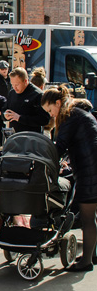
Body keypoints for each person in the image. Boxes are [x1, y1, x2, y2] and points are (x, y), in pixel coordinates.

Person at [41, 85, 97, 271]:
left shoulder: (69, 116)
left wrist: (45, 164)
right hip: (91, 167)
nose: (52, 115)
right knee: (93, 217)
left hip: (90, 171)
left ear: (58, 103)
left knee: (88, 218)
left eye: (50, 110)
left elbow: (60, 146)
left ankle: (86, 261)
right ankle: (92, 254)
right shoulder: (78, 112)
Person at [2, 67, 50, 133]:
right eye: (12, 85)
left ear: (25, 81)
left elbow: (44, 119)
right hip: (14, 137)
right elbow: (4, 109)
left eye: (17, 84)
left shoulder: (37, 94)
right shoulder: (12, 93)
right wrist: (5, 115)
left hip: (30, 137)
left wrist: (20, 118)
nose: (14, 88)